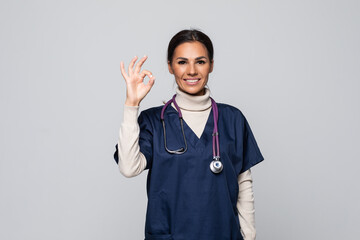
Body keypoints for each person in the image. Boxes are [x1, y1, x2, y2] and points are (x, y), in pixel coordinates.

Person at [113, 29, 264, 240]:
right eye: (182, 62)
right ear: (170, 66)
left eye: (200, 62)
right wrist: (131, 105)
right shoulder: (154, 122)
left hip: (222, 234)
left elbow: (243, 182)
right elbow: (128, 168)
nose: (191, 71)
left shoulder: (233, 119)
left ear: (211, 64)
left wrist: (249, 235)